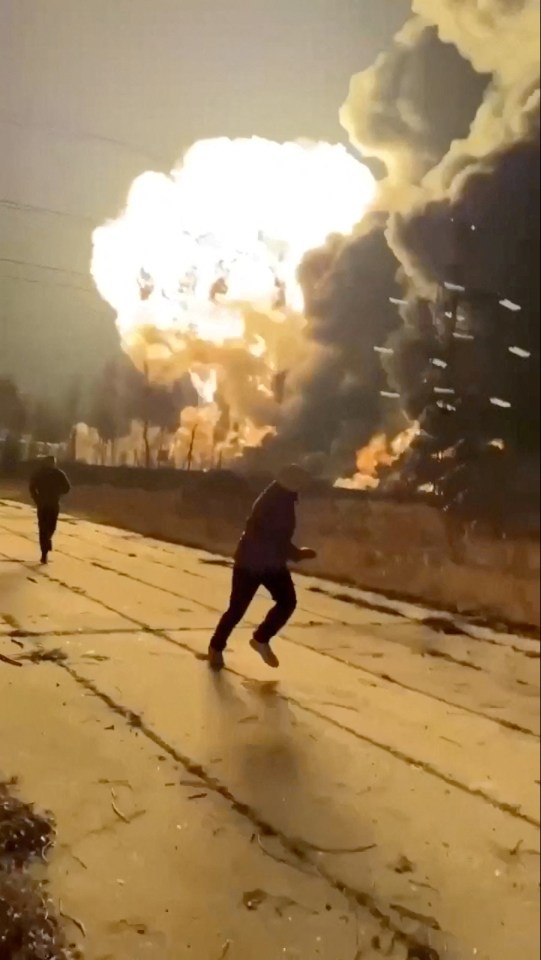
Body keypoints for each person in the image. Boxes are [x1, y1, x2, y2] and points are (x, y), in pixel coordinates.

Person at [208, 464, 316, 672]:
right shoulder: (276, 502)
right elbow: (276, 538)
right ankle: (217, 647)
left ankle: (260, 639)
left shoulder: (282, 498)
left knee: (285, 602)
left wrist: (294, 553)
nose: (303, 486)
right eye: (301, 482)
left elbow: (278, 539)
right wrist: (298, 554)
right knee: (238, 609)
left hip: (269, 562)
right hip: (252, 563)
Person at [29, 456, 71, 564]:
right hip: (45, 504)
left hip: (49, 504)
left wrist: (57, 493)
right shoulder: (40, 473)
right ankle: (44, 553)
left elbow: (67, 487)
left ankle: (46, 543)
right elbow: (32, 487)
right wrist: (37, 498)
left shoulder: (58, 474)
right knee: (44, 528)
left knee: (50, 527)